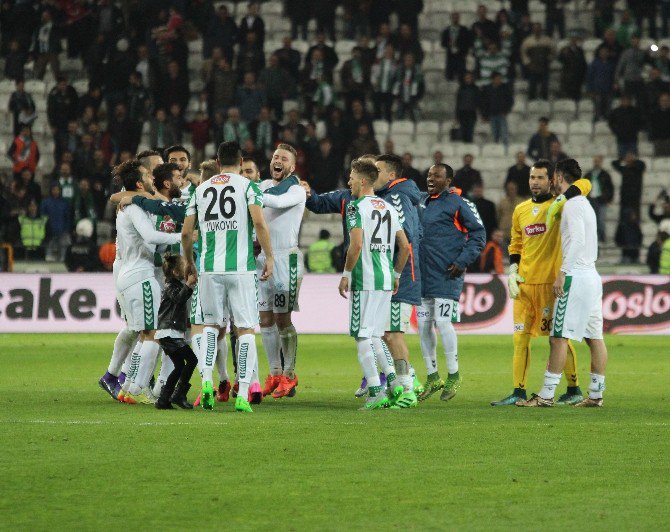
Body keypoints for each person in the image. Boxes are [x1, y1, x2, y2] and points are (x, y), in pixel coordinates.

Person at [182, 141, 273, 413]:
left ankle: (207, 383)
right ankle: (244, 392)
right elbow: (258, 222)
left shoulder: (201, 189)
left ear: (218, 161)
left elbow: (186, 233)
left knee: (210, 327)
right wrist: (270, 257)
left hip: (210, 269)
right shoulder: (248, 186)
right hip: (241, 270)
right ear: (240, 159)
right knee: (244, 329)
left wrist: (189, 262)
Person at [491, 159, 591, 406]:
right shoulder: (521, 209)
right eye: (532, 178)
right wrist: (512, 269)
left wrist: (560, 198)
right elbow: (516, 243)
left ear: (551, 180)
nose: (534, 182)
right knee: (520, 339)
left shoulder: (562, 206)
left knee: (558, 338)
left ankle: (574, 388)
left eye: (540, 178)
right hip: (525, 286)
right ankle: (518, 391)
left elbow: (585, 184)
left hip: (550, 285)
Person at [517, 159, 608, 407]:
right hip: (591, 276)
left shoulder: (572, 205)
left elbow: (577, 241)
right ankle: (596, 394)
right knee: (594, 338)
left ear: (557, 177)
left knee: (558, 337)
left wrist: (562, 273)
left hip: (575, 277)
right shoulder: (584, 204)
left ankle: (545, 396)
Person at [338, 159, 411, 410]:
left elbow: (356, 245)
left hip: (364, 279)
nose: (348, 181)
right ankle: (394, 383)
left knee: (362, 336)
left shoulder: (355, 208)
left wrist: (346, 273)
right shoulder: (388, 207)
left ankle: (375, 390)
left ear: (363, 181)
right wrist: (397, 275)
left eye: (351, 176)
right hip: (385, 280)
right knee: (377, 336)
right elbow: (405, 246)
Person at [112, 161, 181, 404]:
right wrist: (184, 236)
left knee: (144, 334)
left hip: (129, 275)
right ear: (140, 183)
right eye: (147, 176)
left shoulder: (127, 207)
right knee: (154, 333)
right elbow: (151, 236)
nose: (152, 178)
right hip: (140, 277)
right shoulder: (135, 209)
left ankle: (129, 386)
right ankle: (138, 388)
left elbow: (151, 242)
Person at [416, 163, 486, 401]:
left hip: (447, 273)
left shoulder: (460, 204)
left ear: (449, 181)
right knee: (424, 326)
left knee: (443, 323)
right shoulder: (421, 202)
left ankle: (454, 375)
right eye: (428, 175)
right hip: (423, 276)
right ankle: (433, 375)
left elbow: (479, 235)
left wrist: (463, 261)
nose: (430, 178)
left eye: (436, 175)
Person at [255, 144, 306, 399]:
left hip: (287, 260)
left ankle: (289, 374)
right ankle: (274, 373)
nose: (278, 160)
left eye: (284, 158)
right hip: (262, 259)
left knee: (283, 320)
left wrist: (247, 190)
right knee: (265, 320)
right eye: (275, 156)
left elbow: (277, 201)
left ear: (292, 167)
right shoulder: (263, 185)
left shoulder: (296, 190)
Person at [154, 255, 199, 410]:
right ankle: (179, 395)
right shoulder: (170, 287)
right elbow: (179, 299)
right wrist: (188, 284)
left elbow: (183, 296)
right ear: (175, 272)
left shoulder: (174, 285)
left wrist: (189, 286)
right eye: (183, 265)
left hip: (169, 332)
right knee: (192, 360)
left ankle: (163, 399)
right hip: (169, 332)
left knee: (180, 366)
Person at [584, 155, 614, 242]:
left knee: (601, 221)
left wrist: (609, 199)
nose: (596, 163)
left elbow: (610, 188)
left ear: (601, 162)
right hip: (591, 200)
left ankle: (602, 237)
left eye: (598, 161)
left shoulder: (605, 175)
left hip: (601, 200)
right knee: (592, 221)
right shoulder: (588, 175)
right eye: (595, 161)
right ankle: (593, 239)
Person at [612, 152, 645, 221]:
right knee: (623, 217)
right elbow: (614, 163)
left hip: (635, 197)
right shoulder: (625, 169)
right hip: (625, 197)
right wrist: (622, 158)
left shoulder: (638, 168)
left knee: (635, 218)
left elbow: (643, 165)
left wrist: (634, 159)